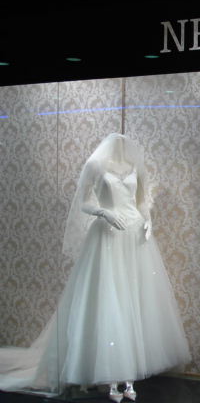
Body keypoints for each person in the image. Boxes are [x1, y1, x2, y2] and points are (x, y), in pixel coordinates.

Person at [0, 133, 190, 402]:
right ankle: (109, 374)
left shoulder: (135, 166)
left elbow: (140, 201)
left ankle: (128, 374)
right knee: (107, 299)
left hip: (135, 236)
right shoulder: (95, 165)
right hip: (108, 235)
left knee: (134, 299)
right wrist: (103, 212)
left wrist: (149, 221)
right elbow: (84, 202)